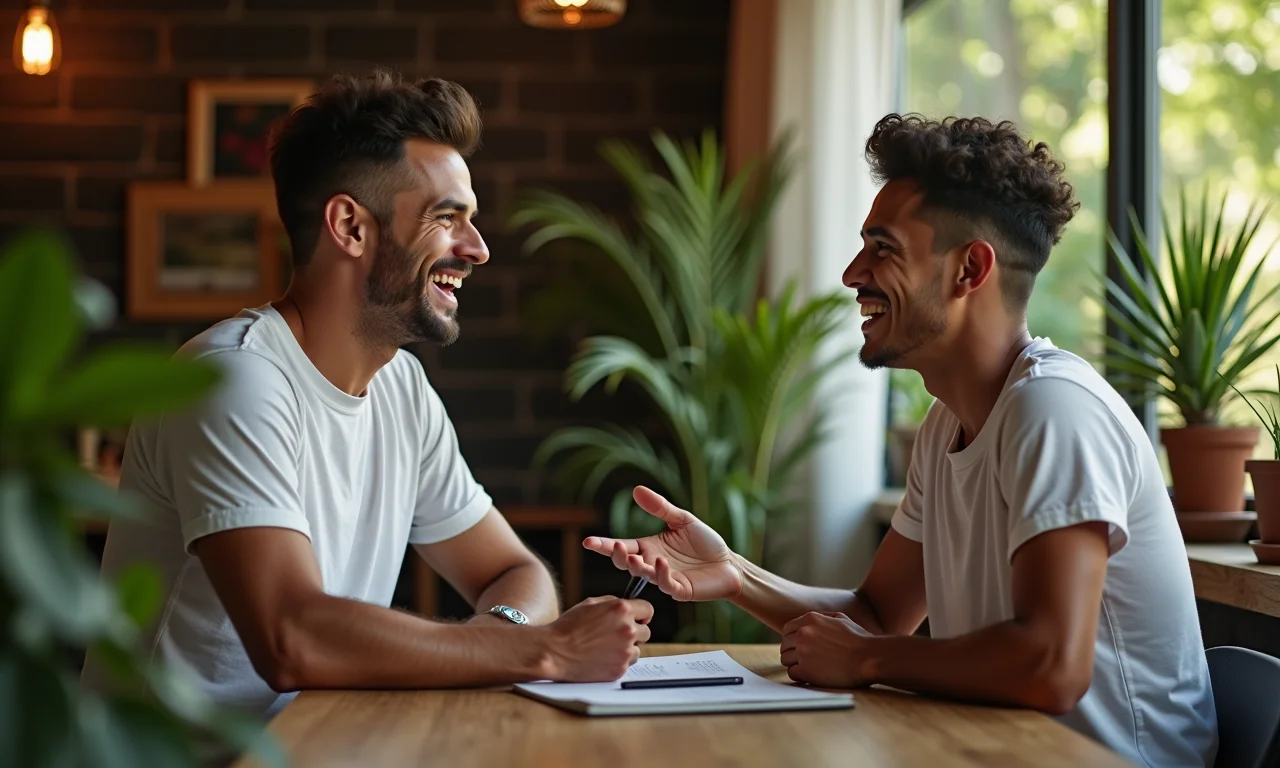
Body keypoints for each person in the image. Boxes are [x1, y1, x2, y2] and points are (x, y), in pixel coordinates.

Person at [585, 113, 1217, 767]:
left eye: (882, 249)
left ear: (969, 269)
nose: (851, 274)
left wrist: (867, 659)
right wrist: (735, 575)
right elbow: (878, 615)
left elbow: (1051, 666)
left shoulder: (1053, 409)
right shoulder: (946, 423)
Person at [81, 70, 652, 721]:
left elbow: (515, 572)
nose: (478, 249)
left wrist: (506, 636)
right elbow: (291, 637)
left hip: (319, 746)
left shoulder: (401, 389)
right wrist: (541, 649)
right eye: (447, 219)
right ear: (351, 226)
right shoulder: (236, 380)